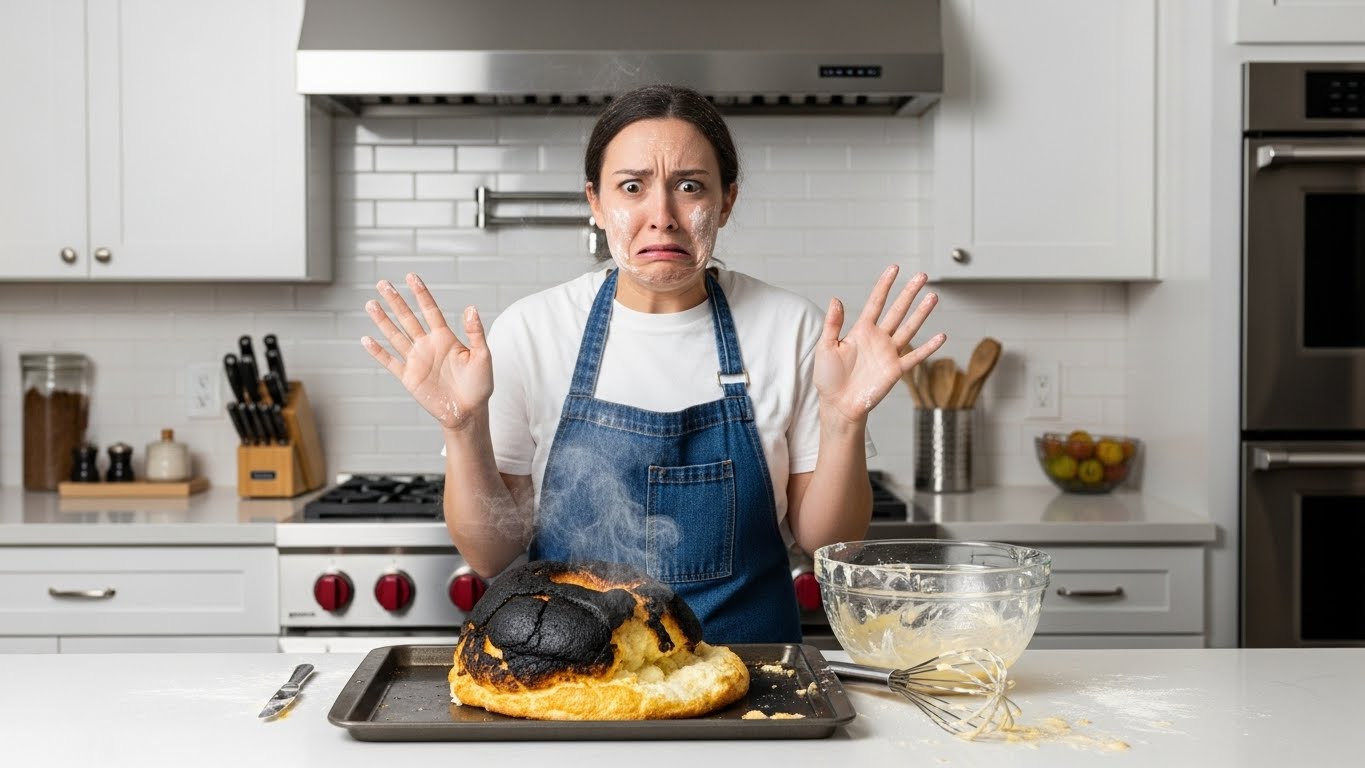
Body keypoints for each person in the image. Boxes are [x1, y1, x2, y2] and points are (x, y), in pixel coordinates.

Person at [362, 84, 945, 644]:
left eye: (690, 186)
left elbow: (827, 544)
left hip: (752, 683)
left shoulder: (790, 328)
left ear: (727, 201)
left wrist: (845, 420)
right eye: (632, 187)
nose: (662, 214)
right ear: (595, 202)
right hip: (575, 685)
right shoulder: (533, 331)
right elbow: (490, 553)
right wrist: (462, 428)